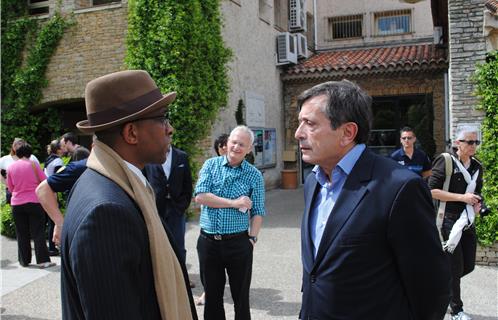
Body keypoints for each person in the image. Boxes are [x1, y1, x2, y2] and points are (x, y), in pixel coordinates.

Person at [294, 80, 450, 320]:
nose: (298, 134)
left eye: (310, 124)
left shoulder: (399, 188)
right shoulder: (314, 181)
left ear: (347, 132)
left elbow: (429, 285)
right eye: (299, 123)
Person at [60, 70, 197, 319]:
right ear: (132, 133)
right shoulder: (106, 213)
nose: (171, 129)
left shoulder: (114, 183)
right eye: (163, 119)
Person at [194, 125, 265, 320]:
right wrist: (234, 203)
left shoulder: (254, 175)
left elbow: (258, 211)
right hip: (208, 243)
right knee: (213, 299)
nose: (236, 147)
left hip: (238, 244)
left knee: (241, 299)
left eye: (242, 144)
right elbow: (200, 197)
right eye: (234, 142)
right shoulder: (210, 165)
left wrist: (252, 239)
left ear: (249, 148)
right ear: (226, 143)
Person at [428, 126, 483, 320]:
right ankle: (456, 310)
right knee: (454, 267)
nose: (473, 146)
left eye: (476, 142)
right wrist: (462, 197)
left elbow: (476, 193)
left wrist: (477, 203)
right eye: (469, 142)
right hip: (447, 220)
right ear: (458, 143)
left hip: (467, 220)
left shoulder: (477, 166)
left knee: (468, 265)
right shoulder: (446, 161)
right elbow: (431, 190)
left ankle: (436, 290)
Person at [144, 122, 193, 264]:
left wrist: (182, 206)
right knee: (158, 246)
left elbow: (187, 184)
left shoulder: (182, 156)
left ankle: (182, 280)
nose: (167, 136)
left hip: (177, 209)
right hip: (156, 210)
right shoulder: (149, 158)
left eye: (169, 134)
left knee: (179, 246)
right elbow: (144, 182)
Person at [6, 141, 55, 269]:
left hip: (17, 203)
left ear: (17, 153)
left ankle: (24, 260)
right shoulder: (33, 165)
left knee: (21, 232)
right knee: (38, 232)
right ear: (29, 153)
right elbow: (45, 181)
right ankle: (43, 261)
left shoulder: (11, 167)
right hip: (34, 201)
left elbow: (10, 188)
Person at [1, 138, 40, 204]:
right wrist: (5, 182)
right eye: (15, 144)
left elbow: (39, 172)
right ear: (13, 147)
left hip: (32, 190)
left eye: (20, 144)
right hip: (14, 192)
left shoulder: (32, 157)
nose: (17, 146)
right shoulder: (5, 159)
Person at [43, 139, 65, 256]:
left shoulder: (48, 159)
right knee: (54, 221)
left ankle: (50, 247)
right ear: (58, 149)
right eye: (62, 146)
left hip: (45, 192)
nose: (64, 148)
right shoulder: (58, 161)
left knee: (48, 221)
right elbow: (58, 180)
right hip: (52, 192)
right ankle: (53, 247)